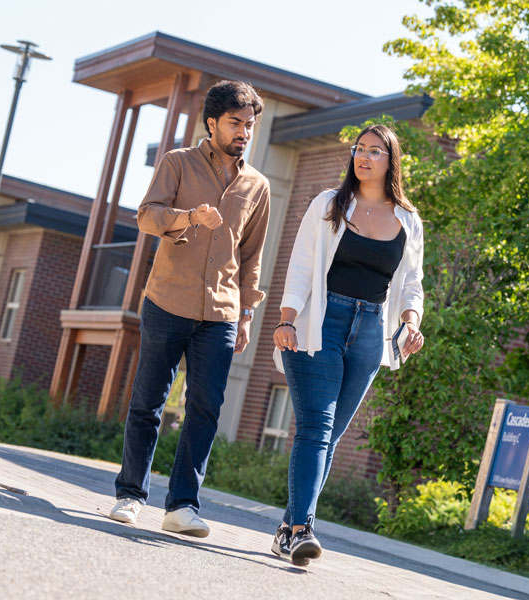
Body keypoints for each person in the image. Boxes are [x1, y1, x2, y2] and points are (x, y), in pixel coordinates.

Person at [108, 80, 270, 537]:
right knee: (148, 402)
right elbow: (147, 215)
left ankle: (182, 506)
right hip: (167, 300)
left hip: (221, 310)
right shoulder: (177, 163)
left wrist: (246, 313)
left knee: (205, 409)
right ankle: (130, 495)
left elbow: (252, 254)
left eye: (250, 125)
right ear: (212, 122)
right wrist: (188, 217)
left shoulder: (258, 185)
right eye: (236, 123)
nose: (244, 132)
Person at [270, 124, 426, 565]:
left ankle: (288, 526)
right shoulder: (329, 205)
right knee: (316, 428)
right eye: (359, 149)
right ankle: (301, 529)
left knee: (331, 436)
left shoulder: (408, 221)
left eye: (375, 151)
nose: (364, 156)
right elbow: (301, 265)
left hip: (371, 329)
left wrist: (410, 323)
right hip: (321, 323)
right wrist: (288, 320)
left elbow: (412, 282)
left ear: (391, 161)